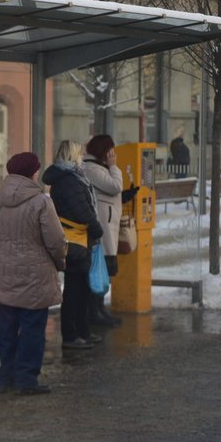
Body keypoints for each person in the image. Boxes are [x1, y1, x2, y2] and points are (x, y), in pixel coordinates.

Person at [0, 152, 67, 396]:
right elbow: (56, 240)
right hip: (35, 279)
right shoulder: (41, 201)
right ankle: (27, 380)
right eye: (37, 169)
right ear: (32, 172)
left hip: (4, 278)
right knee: (32, 330)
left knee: (7, 330)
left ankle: (6, 377)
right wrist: (61, 262)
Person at [42, 140, 104, 350]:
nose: (83, 157)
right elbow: (82, 211)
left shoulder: (72, 177)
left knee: (81, 288)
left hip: (78, 239)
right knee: (74, 290)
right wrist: (97, 228)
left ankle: (82, 331)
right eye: (80, 153)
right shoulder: (69, 180)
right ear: (72, 155)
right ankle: (71, 335)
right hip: (76, 241)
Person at [83, 134, 139, 327]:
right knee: (99, 270)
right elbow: (114, 186)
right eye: (111, 151)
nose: (113, 155)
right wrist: (114, 166)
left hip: (108, 226)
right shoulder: (92, 168)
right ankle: (94, 312)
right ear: (103, 151)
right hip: (103, 227)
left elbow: (111, 192)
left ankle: (99, 310)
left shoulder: (99, 168)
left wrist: (124, 197)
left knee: (103, 270)